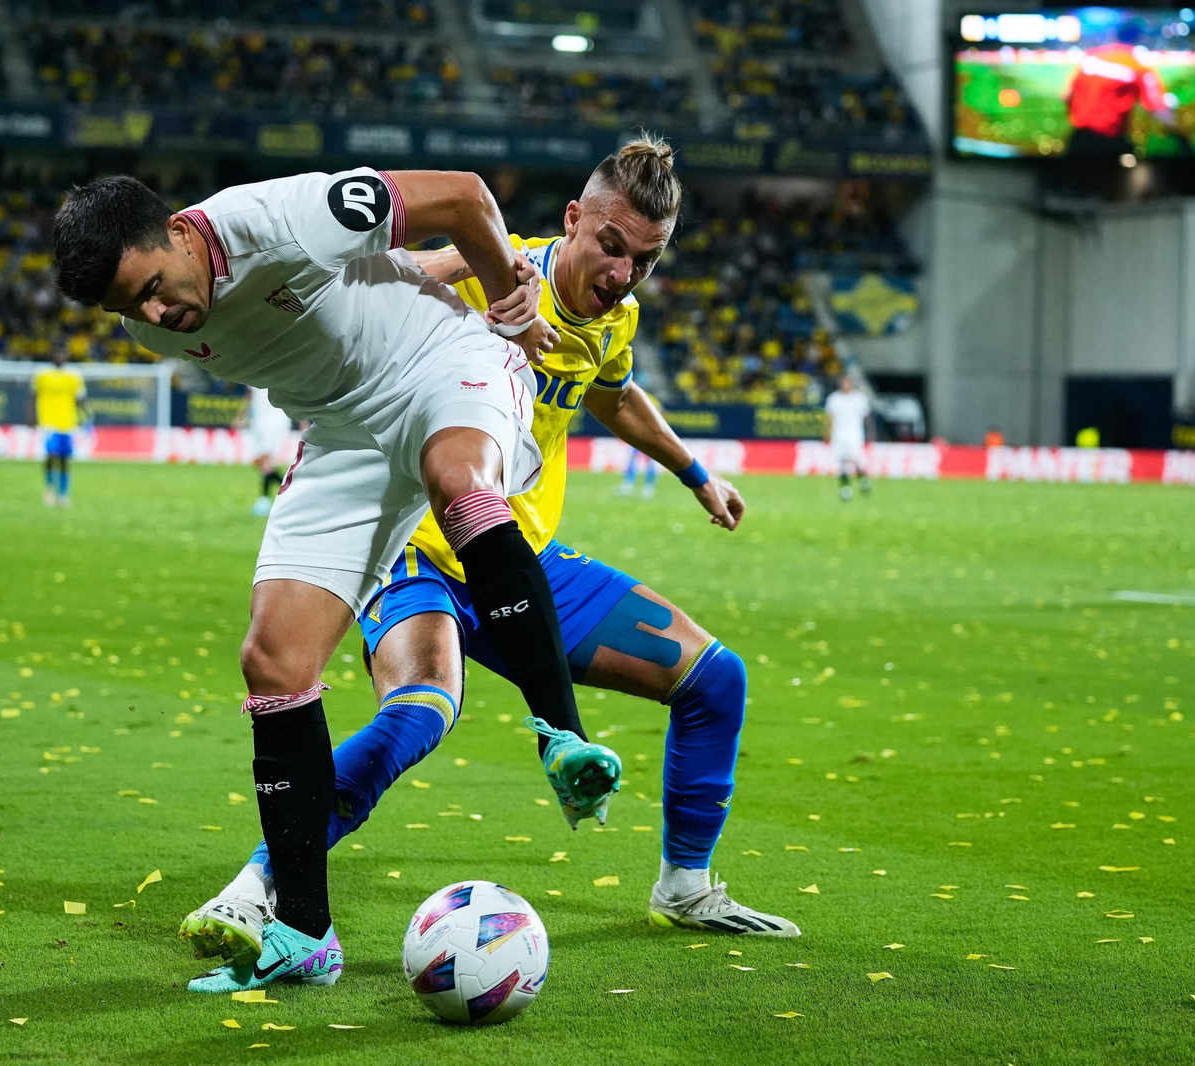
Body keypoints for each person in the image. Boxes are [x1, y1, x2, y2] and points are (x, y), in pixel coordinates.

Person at [185, 139, 799, 976]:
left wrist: (695, 474)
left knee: (715, 680)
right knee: (421, 709)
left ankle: (685, 888)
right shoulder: (492, 267)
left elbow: (614, 394)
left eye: (646, 261)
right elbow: (374, 280)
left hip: (523, 563)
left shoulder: (614, 317)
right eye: (611, 246)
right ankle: (262, 882)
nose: (623, 274)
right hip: (419, 552)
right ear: (573, 220)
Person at [53, 166, 622, 995]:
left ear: (177, 232)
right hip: (344, 431)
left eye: (149, 289)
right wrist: (440, 268)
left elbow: (463, 195)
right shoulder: (156, 328)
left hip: (442, 364)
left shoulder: (279, 217)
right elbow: (361, 279)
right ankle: (303, 932)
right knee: (272, 661)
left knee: (461, 485)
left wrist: (510, 299)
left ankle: (562, 739)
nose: (151, 316)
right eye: (125, 309)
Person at [1065, 19, 1183, 158]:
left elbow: (1066, 96)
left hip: (1078, 138)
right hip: (1110, 141)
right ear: (1140, 38)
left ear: (1115, 35)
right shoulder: (1138, 65)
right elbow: (1157, 107)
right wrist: (1182, 136)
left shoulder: (1091, 56)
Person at [31, 350, 87, 507]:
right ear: (51, 356)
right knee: (51, 455)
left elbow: (79, 399)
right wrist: (31, 417)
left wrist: (85, 416)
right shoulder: (42, 374)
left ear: (67, 357)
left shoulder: (74, 375)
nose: (59, 357)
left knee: (64, 459)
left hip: (68, 423)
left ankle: (63, 494)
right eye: (56, 354)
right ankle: (49, 489)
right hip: (48, 422)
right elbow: (33, 396)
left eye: (62, 354)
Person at [236, 386, 294, 516]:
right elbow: (250, 394)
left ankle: (264, 499)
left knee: (266, 461)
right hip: (259, 419)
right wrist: (242, 414)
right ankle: (291, 488)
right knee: (259, 462)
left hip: (275, 418)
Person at [824, 375, 872, 501]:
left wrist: (870, 431)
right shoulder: (834, 399)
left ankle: (863, 480)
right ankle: (845, 489)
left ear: (851, 384)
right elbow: (829, 418)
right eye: (843, 383)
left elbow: (866, 417)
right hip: (838, 435)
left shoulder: (859, 398)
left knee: (857, 459)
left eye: (847, 383)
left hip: (854, 434)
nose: (845, 385)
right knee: (841, 462)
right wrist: (827, 434)